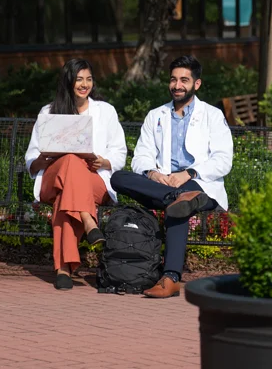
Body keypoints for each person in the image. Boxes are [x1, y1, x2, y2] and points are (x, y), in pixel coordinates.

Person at [111, 55, 233, 299]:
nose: (177, 85)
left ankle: (171, 278)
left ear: (196, 84)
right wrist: (153, 174)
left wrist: (188, 173)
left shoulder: (212, 116)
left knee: (179, 207)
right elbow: (141, 157)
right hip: (165, 186)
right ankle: (179, 197)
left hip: (201, 186)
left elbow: (223, 160)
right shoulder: (156, 115)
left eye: (184, 80)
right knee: (118, 177)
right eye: (173, 79)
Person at [25, 59, 127, 290]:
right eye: (79, 79)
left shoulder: (105, 111)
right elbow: (31, 158)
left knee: (66, 197)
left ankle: (63, 269)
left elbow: (119, 150)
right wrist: (42, 159)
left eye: (89, 79)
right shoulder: (49, 111)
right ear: (68, 81)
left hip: (94, 179)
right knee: (70, 160)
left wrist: (105, 161)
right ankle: (88, 219)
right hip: (53, 178)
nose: (84, 84)